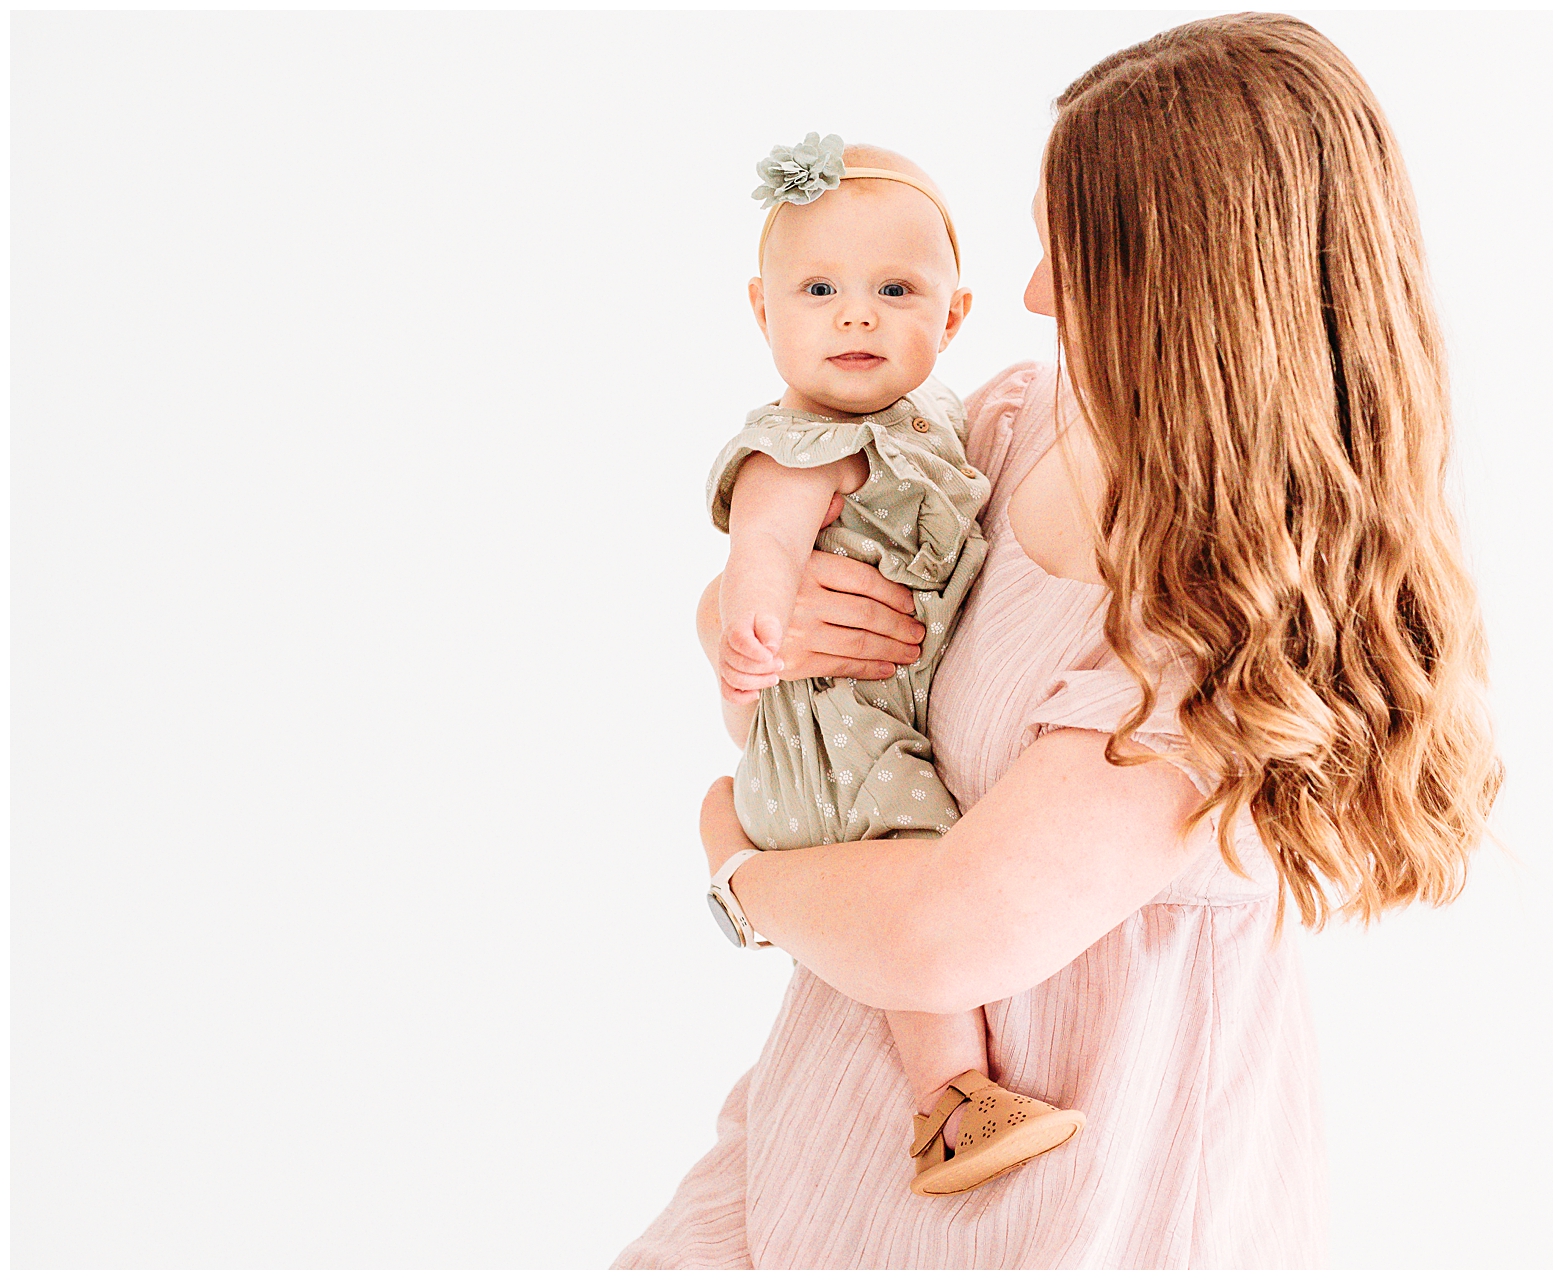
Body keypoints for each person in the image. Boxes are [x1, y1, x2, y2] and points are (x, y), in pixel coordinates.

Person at [616, 11, 1502, 1268]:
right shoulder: (1009, 427)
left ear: (1192, 292)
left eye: (1068, 254)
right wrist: (749, 606)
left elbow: (942, 932)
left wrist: (735, 869)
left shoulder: (1220, 639)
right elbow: (777, 641)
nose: (1029, 294)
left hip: (1061, 1220)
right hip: (811, 1142)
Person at [708, 132, 1085, 1197]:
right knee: (917, 850)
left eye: (894, 288)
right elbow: (764, 546)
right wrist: (744, 623)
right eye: (818, 287)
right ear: (762, 311)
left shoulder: (940, 425)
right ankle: (951, 1100)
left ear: (952, 317)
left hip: (873, 709)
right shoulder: (800, 441)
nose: (855, 314)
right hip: (836, 730)